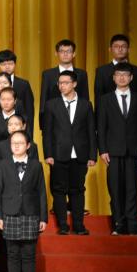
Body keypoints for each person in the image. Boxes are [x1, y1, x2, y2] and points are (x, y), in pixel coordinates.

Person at [97, 63, 137, 236]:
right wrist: (102, 150)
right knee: (115, 189)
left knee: (132, 189)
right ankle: (119, 225)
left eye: (125, 74)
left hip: (134, 151)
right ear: (113, 78)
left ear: (131, 77)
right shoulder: (105, 99)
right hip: (112, 152)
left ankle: (133, 225)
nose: (121, 77)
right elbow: (101, 126)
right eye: (118, 74)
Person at [42, 70, 97, 235]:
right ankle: (63, 225)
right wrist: (48, 154)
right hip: (58, 154)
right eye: (60, 83)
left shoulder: (86, 104)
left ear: (74, 84)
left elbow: (91, 131)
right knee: (59, 190)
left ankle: (79, 225)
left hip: (80, 154)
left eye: (66, 83)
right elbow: (47, 132)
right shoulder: (51, 104)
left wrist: (92, 155)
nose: (62, 86)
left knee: (78, 190)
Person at [0, 131, 47, 272]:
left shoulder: (36, 165)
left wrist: (43, 218)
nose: (16, 146)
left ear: (28, 145)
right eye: (13, 143)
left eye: (20, 143)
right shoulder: (3, 164)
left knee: (29, 254)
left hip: (30, 213)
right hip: (9, 213)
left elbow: (41, 192)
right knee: (12, 254)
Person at [39, 39, 91, 130]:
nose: (65, 54)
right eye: (62, 51)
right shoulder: (48, 74)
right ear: (56, 53)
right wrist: (43, 126)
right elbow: (44, 99)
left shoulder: (82, 74)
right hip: (54, 122)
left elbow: (85, 97)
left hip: (77, 123)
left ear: (74, 54)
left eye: (69, 51)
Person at [0, 49, 35, 128]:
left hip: (17, 128)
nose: (7, 67)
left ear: (15, 64)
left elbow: (29, 110)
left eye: (10, 63)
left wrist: (28, 131)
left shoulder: (24, 84)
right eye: (3, 64)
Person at [94, 34, 137, 103]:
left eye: (123, 46)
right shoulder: (101, 71)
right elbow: (99, 99)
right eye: (116, 46)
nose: (120, 49)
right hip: (108, 109)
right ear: (110, 49)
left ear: (128, 50)